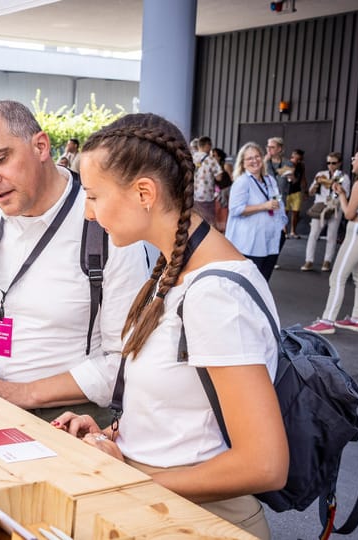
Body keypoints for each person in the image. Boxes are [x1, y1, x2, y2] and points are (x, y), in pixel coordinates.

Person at [55, 112, 288, 539]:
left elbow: (265, 464)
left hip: (206, 522)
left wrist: (131, 481)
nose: (88, 214)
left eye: (93, 196)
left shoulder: (216, 294)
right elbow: (184, 412)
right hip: (164, 510)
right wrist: (112, 435)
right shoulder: (174, 271)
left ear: (144, 191)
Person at [0, 100, 150, 423]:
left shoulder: (103, 224)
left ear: (41, 146)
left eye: (0, 159)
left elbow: (125, 360)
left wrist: (23, 393)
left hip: (67, 420)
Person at [304, 147, 358, 334]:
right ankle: (357, 319)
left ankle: (328, 321)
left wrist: (343, 195)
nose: (352, 161)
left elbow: (349, 213)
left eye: (355, 158)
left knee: (337, 276)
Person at [225, 142, 287, 281]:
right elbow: (235, 209)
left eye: (257, 156)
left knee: (263, 283)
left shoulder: (269, 180)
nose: (254, 161)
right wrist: (263, 206)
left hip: (271, 240)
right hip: (250, 244)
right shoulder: (242, 182)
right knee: (249, 284)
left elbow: (278, 201)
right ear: (243, 163)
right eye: (250, 158)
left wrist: (283, 224)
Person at [301, 152, 350, 272]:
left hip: (335, 207)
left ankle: (327, 261)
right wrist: (317, 183)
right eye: (328, 163)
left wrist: (333, 185)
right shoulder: (321, 174)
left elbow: (346, 194)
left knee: (331, 236)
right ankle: (309, 260)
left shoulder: (343, 176)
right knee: (313, 234)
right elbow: (311, 192)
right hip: (320, 206)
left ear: (339, 163)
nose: (330, 165)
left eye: (333, 163)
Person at [192, 136, 223, 226]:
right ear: (207, 145)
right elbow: (219, 177)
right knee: (208, 223)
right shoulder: (211, 160)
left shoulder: (190, 157)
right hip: (206, 196)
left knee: (193, 221)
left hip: (191, 195)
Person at [210, 147, 233, 232]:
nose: (211, 157)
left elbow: (232, 178)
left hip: (226, 191)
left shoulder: (226, 165)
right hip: (217, 193)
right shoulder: (212, 166)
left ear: (219, 157)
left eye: (214, 155)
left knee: (225, 212)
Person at [286, 149, 307, 238]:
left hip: (297, 191)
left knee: (296, 212)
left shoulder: (301, 166)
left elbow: (303, 178)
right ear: (292, 156)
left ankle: (293, 231)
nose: (298, 161)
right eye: (297, 159)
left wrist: (305, 191)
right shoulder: (286, 164)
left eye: (300, 159)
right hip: (286, 192)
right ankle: (284, 231)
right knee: (284, 212)